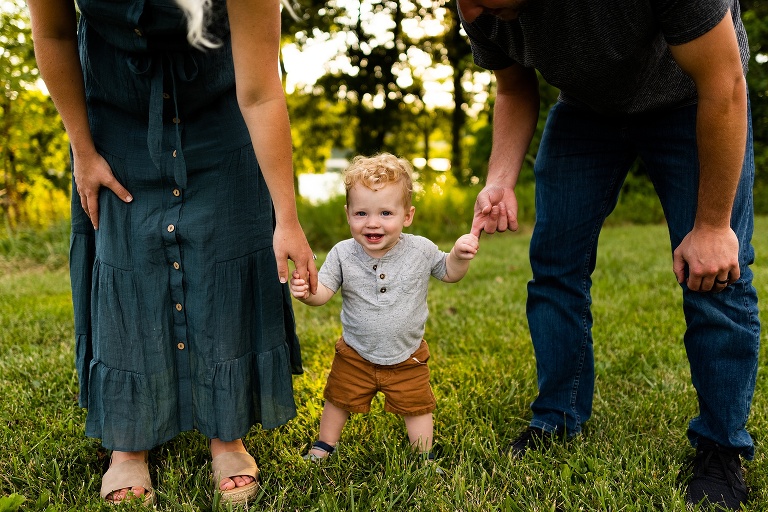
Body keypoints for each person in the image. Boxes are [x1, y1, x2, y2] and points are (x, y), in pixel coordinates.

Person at [456, 0, 760, 509]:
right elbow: (512, 87)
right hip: (587, 111)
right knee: (555, 267)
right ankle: (557, 417)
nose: (471, 11)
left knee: (717, 274)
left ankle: (721, 446)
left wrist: (711, 225)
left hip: (694, 98)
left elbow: (724, 84)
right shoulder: (477, 4)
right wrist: (500, 179)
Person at [27, 0, 317, 505]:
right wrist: (82, 149)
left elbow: (262, 92)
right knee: (128, 257)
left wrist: (286, 218)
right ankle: (128, 447)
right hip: (112, 114)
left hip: (224, 108)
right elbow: (52, 34)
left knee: (222, 248)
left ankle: (227, 437)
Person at [289, 153, 479, 464]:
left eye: (386, 213)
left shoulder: (421, 249)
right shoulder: (342, 254)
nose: (373, 223)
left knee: (418, 406)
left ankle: (425, 455)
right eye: (361, 213)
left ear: (407, 215)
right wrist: (307, 292)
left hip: (407, 356)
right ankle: (325, 443)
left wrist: (458, 255)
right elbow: (323, 293)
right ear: (348, 213)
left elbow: (448, 273)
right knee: (337, 400)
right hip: (355, 354)